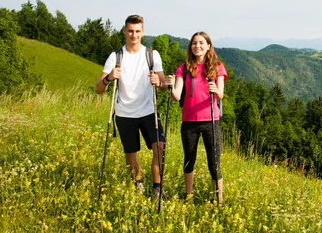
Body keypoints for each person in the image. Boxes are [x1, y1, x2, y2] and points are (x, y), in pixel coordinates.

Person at [95, 14, 168, 200]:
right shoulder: (115, 56)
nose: (133, 35)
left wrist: (158, 82)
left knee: (160, 147)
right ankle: (138, 182)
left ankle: (157, 189)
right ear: (124, 32)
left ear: (142, 32)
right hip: (124, 113)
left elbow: (163, 87)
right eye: (130, 31)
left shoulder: (152, 55)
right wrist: (109, 78)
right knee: (130, 156)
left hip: (148, 111)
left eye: (137, 31)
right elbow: (98, 89)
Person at [165, 31, 227, 203]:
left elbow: (221, 94)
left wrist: (215, 91)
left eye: (201, 43)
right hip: (189, 122)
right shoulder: (183, 68)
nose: (197, 46)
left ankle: (219, 200)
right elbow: (177, 95)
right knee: (188, 160)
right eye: (194, 43)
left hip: (211, 121)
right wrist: (170, 87)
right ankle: (188, 195)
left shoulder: (217, 67)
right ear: (190, 46)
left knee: (214, 164)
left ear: (208, 46)